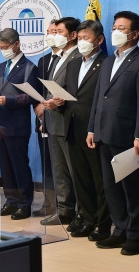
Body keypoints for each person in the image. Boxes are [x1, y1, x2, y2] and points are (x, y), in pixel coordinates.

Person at [87, 11, 139, 255]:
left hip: (127, 136)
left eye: (122, 28)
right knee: (111, 187)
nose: (115, 31)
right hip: (103, 133)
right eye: (114, 26)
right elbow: (98, 98)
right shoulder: (107, 60)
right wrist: (92, 128)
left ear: (134, 34)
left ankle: (135, 237)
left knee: (131, 188)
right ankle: (119, 231)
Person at [58, 20, 110, 241]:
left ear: (99, 40)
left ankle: (102, 222)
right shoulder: (73, 64)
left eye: (86, 38)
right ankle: (86, 219)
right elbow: (71, 94)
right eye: (79, 38)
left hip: (94, 130)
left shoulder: (107, 64)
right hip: (72, 126)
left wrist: (95, 128)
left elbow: (104, 101)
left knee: (99, 179)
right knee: (80, 178)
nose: (81, 42)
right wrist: (59, 102)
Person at [0, 28, 41, 220]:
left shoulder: (29, 68)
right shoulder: (1, 66)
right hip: (0, 122)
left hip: (17, 125)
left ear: (16, 44)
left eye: (6, 46)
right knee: (5, 166)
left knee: (19, 166)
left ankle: (24, 204)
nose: (3, 50)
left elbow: (31, 96)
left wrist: (9, 101)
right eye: (0, 47)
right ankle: (10, 201)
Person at [41, 17, 82, 231]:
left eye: (58, 31)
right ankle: (64, 210)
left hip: (70, 122)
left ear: (73, 35)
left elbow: (78, 91)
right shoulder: (57, 57)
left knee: (75, 171)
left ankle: (81, 213)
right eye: (53, 31)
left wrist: (61, 100)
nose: (54, 34)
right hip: (52, 119)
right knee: (59, 170)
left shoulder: (78, 56)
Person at [32, 20, 59, 217]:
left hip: (60, 119)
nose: (50, 35)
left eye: (55, 31)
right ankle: (49, 203)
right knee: (46, 164)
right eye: (48, 32)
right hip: (42, 120)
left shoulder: (72, 59)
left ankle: (65, 205)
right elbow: (38, 90)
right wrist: (37, 105)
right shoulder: (43, 60)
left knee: (62, 167)